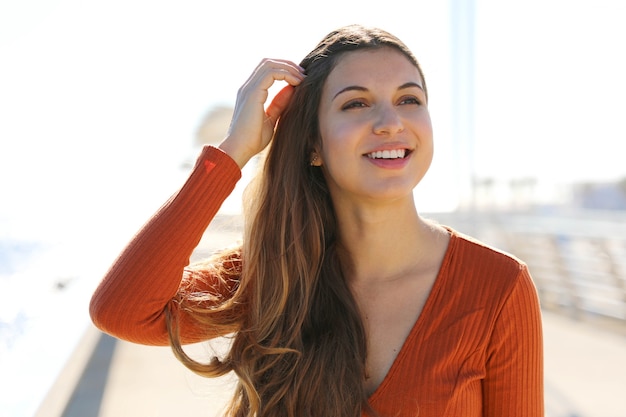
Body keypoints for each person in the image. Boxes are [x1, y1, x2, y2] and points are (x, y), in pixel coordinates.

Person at [89, 25, 543, 417]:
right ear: (313, 145)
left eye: (409, 99)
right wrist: (233, 153)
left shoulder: (498, 287)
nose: (390, 122)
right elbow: (123, 311)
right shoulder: (275, 274)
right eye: (356, 104)